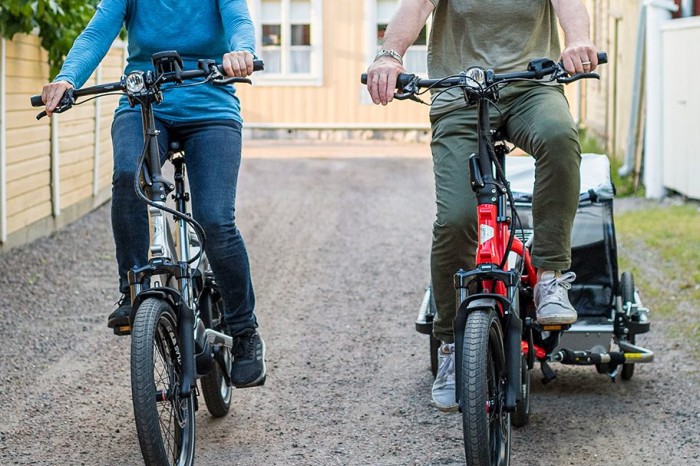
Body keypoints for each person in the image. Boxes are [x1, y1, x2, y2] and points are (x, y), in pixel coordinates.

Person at [366, 0, 599, 411]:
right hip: (460, 92)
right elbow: (416, 6)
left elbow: (569, 4)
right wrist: (389, 55)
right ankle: (452, 348)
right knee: (456, 218)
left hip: (532, 86)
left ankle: (549, 276)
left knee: (560, 139)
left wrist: (577, 41)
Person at [41, 0, 266, 388]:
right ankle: (133, 287)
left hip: (211, 106)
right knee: (128, 177)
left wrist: (242, 51)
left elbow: (239, 22)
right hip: (144, 103)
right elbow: (97, 32)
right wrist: (68, 78)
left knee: (215, 218)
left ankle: (244, 332)